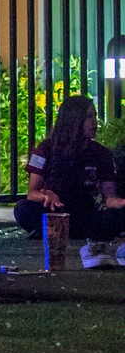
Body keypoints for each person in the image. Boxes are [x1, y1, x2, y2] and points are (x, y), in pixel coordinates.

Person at [13, 95, 125, 265]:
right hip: (55, 211)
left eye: (95, 116)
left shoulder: (101, 153)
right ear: (74, 118)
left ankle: (60, 233)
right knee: (23, 209)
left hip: (85, 213)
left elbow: (109, 197)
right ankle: (58, 230)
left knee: (114, 217)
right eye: (88, 116)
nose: (94, 121)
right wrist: (46, 196)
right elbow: (32, 192)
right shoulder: (45, 149)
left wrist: (122, 203)